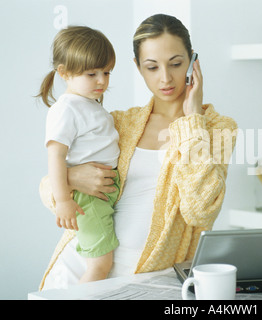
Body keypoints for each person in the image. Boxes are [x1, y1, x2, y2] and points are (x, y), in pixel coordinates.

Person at [38, 14, 237, 291]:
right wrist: (72, 178)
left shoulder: (218, 128)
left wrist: (192, 120)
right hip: (83, 267)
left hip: (148, 280)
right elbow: (47, 188)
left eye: (176, 64)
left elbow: (200, 211)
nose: (165, 78)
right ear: (138, 67)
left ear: (193, 61)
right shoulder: (120, 122)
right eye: (152, 67)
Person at [38, 26, 120, 284]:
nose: (102, 81)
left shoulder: (88, 103)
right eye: (91, 74)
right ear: (64, 73)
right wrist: (62, 200)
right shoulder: (66, 109)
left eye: (106, 72)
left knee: (102, 262)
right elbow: (56, 157)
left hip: (102, 193)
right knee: (100, 265)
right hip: (89, 199)